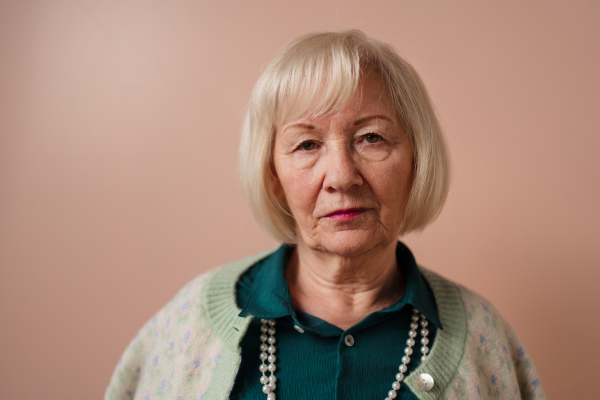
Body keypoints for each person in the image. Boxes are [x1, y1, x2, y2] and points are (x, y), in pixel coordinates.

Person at [106, 30, 545, 400]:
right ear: (273, 176)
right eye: (307, 144)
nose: (341, 176)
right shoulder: (190, 324)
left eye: (371, 137)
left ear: (417, 161)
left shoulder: (482, 338)